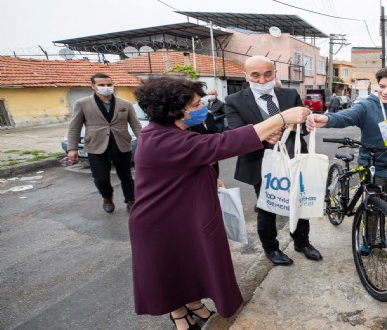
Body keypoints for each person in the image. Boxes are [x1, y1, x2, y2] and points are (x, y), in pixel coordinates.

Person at [128, 76, 310, 330]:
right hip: (161, 220)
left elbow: (184, 164)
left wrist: (210, 179)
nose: (201, 108)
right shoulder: (160, 138)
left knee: (192, 264)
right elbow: (221, 144)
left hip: (185, 214)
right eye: (194, 105)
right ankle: (178, 312)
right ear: (172, 110)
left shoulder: (175, 130)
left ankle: (192, 303)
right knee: (171, 269)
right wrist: (280, 118)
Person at [307, 64, 387, 249]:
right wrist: (328, 119)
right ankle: (368, 239)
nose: (385, 92)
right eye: (382, 86)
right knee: (370, 206)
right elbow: (348, 116)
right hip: (371, 165)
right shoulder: (367, 105)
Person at [224, 55, 323, 266]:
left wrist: (302, 125)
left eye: (267, 74)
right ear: (246, 75)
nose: (262, 80)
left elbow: (303, 126)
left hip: (295, 159)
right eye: (256, 75)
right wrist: (262, 134)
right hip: (260, 162)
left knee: (300, 200)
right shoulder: (234, 101)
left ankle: (302, 242)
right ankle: (271, 248)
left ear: (274, 73)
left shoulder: (289, 94)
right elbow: (236, 131)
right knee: (267, 207)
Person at [66, 73, 142, 213]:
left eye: (109, 84)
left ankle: (131, 200)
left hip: (121, 144)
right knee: (101, 178)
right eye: (101, 85)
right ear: (93, 86)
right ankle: (107, 197)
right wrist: (72, 148)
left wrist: (144, 143)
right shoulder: (82, 103)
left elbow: (136, 125)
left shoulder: (125, 104)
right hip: (96, 146)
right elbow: (74, 127)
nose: (106, 87)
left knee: (126, 175)